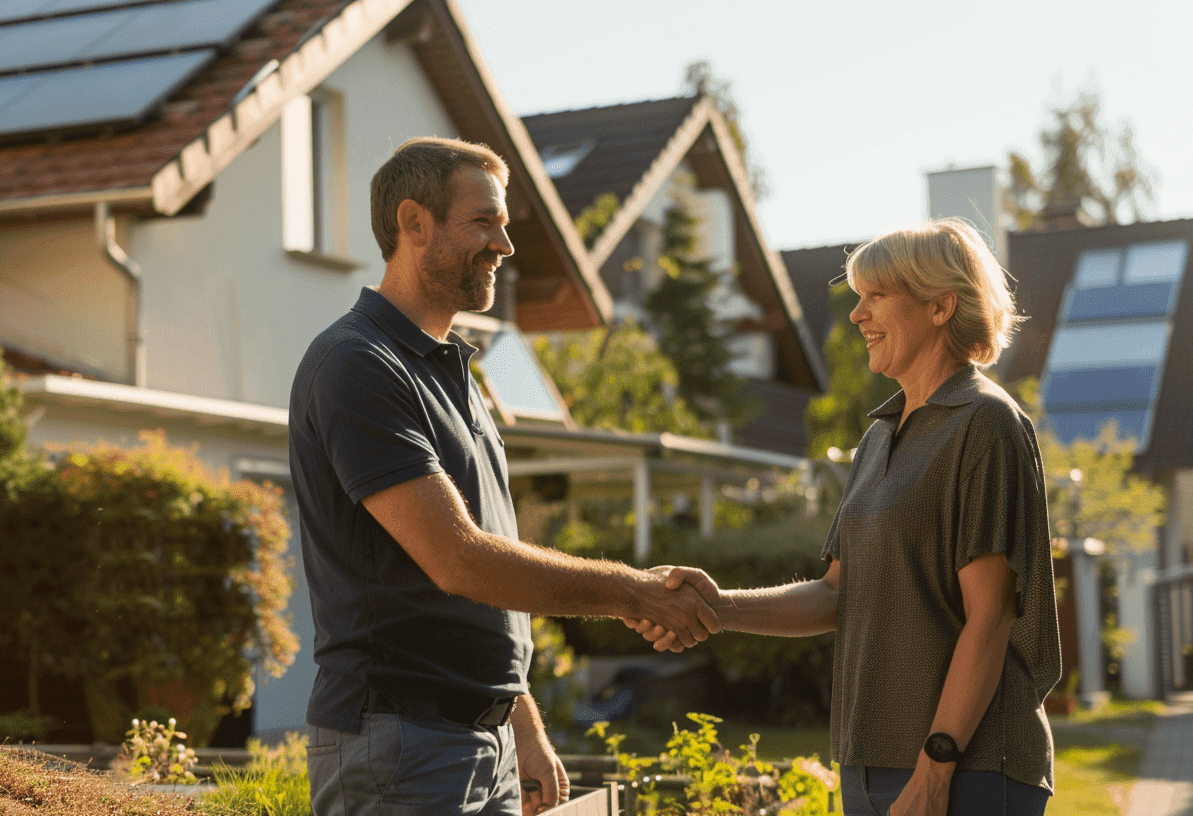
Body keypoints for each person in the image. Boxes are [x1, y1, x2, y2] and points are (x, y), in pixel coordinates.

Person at [289, 136, 721, 816]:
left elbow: (487, 572)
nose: (505, 245)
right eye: (483, 222)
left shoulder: (456, 375)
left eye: (504, 224)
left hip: (472, 741)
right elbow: (458, 560)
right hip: (399, 746)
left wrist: (520, 724)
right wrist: (634, 594)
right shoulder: (358, 365)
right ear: (413, 223)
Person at [633, 219, 1062, 815]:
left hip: (968, 769)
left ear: (940, 306)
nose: (857, 315)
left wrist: (935, 772)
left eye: (876, 296)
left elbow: (989, 617)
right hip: (870, 763)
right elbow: (838, 594)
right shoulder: (879, 438)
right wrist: (717, 606)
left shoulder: (985, 423)